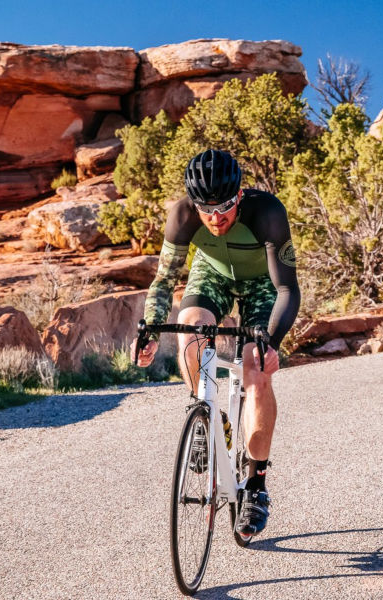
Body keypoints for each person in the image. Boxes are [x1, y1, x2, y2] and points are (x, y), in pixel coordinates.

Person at [132, 149, 300, 537]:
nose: (215, 218)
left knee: (255, 369)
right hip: (212, 276)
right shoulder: (182, 215)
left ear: (239, 195)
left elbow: (287, 288)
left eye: (224, 207)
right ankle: (207, 414)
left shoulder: (267, 213)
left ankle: (255, 484)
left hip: (263, 284)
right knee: (191, 331)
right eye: (206, 209)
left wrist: (270, 342)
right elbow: (163, 280)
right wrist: (151, 330)